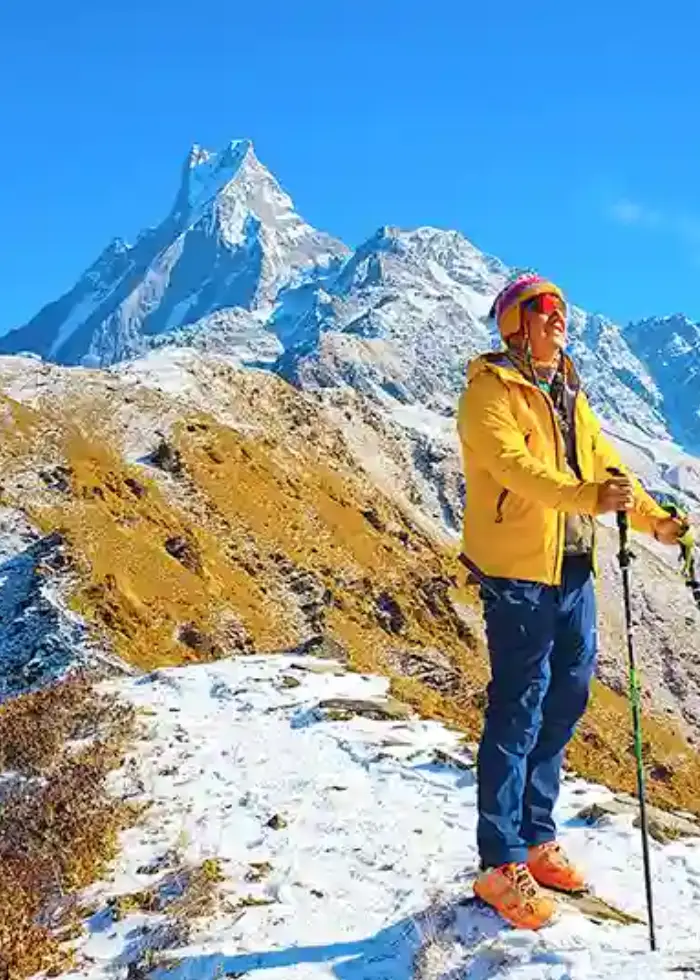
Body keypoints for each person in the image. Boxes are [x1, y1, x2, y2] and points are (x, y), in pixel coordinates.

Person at [456, 273, 687, 931]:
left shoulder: (569, 393)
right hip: (519, 574)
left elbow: (607, 468)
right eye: (545, 309)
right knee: (517, 707)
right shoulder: (488, 392)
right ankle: (499, 863)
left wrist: (655, 521)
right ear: (514, 323)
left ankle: (536, 836)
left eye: (563, 309)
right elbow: (515, 470)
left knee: (568, 696)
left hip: (574, 570)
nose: (560, 319)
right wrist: (590, 500)